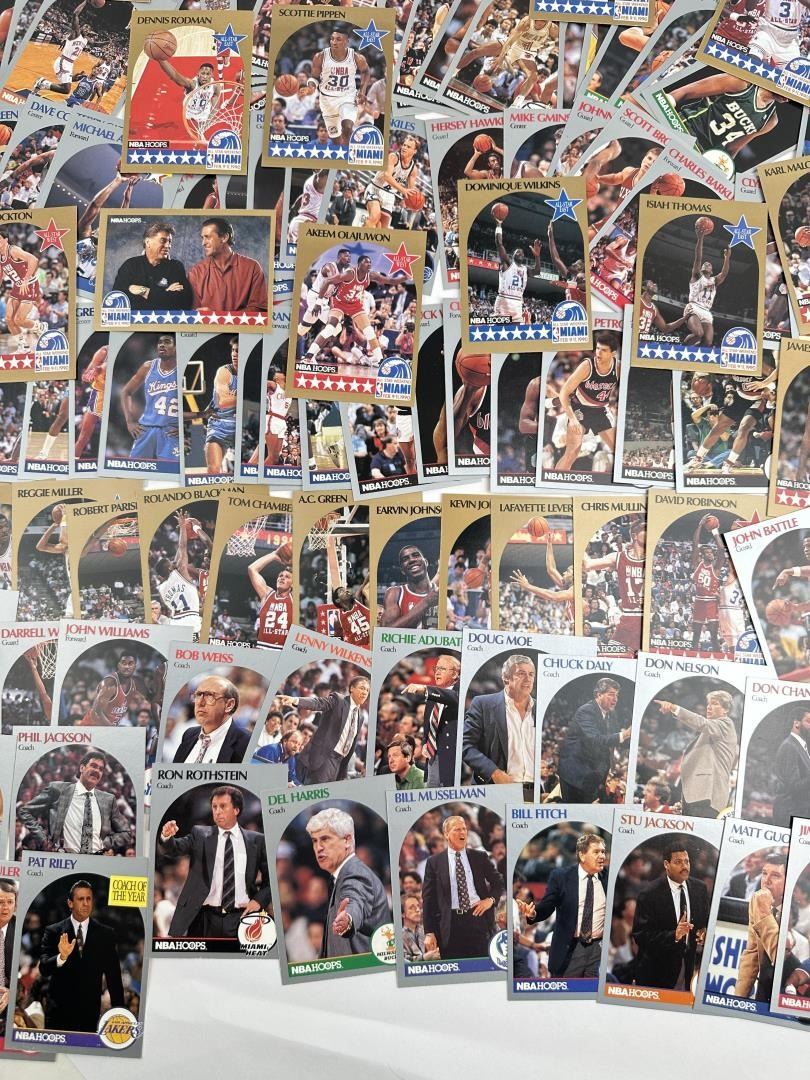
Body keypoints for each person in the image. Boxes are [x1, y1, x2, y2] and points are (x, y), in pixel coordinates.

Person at [158, 785, 272, 939]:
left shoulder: (257, 841)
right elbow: (174, 849)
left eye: (223, 806)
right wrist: (166, 837)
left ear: (236, 810)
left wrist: (258, 901)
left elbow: (270, 879)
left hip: (242, 917)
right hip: (204, 918)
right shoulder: (200, 835)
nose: (217, 811)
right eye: (214, 807)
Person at [517, 833, 609, 977]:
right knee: (570, 990)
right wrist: (534, 913)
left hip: (598, 949)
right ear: (582, 855)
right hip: (571, 949)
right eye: (596, 852)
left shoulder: (608, 878)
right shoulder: (561, 877)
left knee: (593, 990)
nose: (602, 856)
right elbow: (547, 906)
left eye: (603, 852)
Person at [38, 880, 124, 1033]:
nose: (86, 903)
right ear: (70, 903)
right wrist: (61, 957)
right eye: (81, 899)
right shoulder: (53, 931)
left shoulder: (106, 934)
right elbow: (44, 969)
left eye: (89, 899)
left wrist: (119, 1013)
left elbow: (114, 977)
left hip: (88, 1014)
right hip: (59, 1012)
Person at [305, 807, 391, 958]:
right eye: (314, 841)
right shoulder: (339, 876)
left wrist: (348, 920)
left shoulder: (355, 874)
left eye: (325, 839)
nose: (318, 848)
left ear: (347, 840)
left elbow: (354, 900)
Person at [17, 749, 134, 854]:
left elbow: (126, 833)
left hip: (94, 861)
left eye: (100, 769)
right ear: (82, 768)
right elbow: (25, 812)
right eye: (93, 766)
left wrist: (103, 843)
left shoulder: (108, 800)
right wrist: (43, 839)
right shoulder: (58, 790)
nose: (97, 771)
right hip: (63, 859)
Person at [421, 815, 505, 959]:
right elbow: (428, 899)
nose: (462, 833)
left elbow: (499, 882)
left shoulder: (479, 857)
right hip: (450, 924)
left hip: (478, 918)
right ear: (446, 834)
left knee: (481, 966)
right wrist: (429, 932)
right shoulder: (434, 862)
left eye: (464, 829)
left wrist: (490, 900)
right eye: (457, 829)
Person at [631, 842, 710, 991]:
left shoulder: (700, 889)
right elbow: (640, 936)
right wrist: (674, 935)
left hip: (687, 970)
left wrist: (703, 932)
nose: (684, 866)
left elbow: (704, 922)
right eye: (678, 862)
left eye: (686, 861)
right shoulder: (649, 894)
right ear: (666, 864)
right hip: (656, 972)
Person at [654, 689, 738, 816]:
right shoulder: (712, 731)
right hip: (699, 797)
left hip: (708, 798)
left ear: (725, 710)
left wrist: (673, 707)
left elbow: (701, 722)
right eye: (708, 704)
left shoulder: (726, 724)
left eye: (715, 704)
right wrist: (684, 804)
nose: (709, 707)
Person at [462, 653, 536, 788]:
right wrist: (494, 772)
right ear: (506, 678)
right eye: (521, 674)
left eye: (531, 674)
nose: (528, 679)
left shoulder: (540, 708)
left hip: (534, 791)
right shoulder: (483, 704)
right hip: (496, 788)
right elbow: (465, 745)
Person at [277, 676, 370, 782]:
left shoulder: (360, 717)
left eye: (367, 690)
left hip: (339, 763)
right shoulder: (338, 700)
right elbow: (318, 703)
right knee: (316, 790)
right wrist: (296, 700)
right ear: (352, 688)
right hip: (325, 757)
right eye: (362, 688)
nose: (365, 692)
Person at [554, 331, 620, 472]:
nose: (598, 353)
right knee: (572, 453)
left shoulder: (618, 367)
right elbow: (564, 393)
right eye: (597, 348)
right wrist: (572, 419)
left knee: (618, 450)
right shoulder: (587, 366)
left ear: (613, 353)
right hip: (580, 409)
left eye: (603, 350)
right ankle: (553, 479)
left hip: (600, 410)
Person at [557, 678, 631, 803]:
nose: (615, 699)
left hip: (593, 775)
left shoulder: (611, 714)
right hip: (575, 775)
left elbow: (611, 741)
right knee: (576, 811)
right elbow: (595, 739)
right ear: (598, 694)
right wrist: (624, 734)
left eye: (617, 695)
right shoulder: (586, 711)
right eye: (611, 694)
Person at [733, 852, 789, 1002]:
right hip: (766, 981)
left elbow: (781, 958)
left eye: (775, 876)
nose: (766, 881)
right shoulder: (758, 899)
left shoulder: (793, 910)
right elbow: (752, 952)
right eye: (764, 873)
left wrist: (764, 913)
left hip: (789, 984)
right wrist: (738, 998)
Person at [119, 333, 180, 466]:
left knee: (169, 472)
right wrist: (129, 421)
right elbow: (126, 392)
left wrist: (184, 427)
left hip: (171, 431)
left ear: (176, 348)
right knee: (135, 471)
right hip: (147, 428)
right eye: (160, 342)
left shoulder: (182, 369)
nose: (162, 345)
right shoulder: (148, 367)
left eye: (167, 342)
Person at [402, 654, 461, 787]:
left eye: (442, 669)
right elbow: (427, 726)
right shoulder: (432, 698)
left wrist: (424, 688)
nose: (437, 672)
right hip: (433, 754)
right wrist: (425, 743)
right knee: (431, 790)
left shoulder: (460, 692)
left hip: (452, 758)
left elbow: (451, 697)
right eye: (436, 668)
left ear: (454, 674)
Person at [187, 218, 268, 313]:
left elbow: (258, 310)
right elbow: (193, 314)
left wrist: (216, 316)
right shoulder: (196, 273)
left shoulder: (252, 268)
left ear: (224, 237)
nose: (203, 243)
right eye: (202, 238)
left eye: (208, 237)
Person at [309, 27, 372, 147]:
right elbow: (314, 77)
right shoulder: (320, 56)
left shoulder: (356, 57)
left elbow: (366, 71)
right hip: (327, 100)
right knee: (336, 140)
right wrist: (310, 87)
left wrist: (362, 91)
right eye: (332, 39)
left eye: (338, 39)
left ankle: (347, 155)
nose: (334, 42)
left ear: (346, 41)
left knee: (347, 127)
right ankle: (344, 151)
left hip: (347, 97)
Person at [111, 222, 193, 312]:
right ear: (148, 242)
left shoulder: (176, 267)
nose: (168, 246)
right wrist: (165, 293)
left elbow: (184, 302)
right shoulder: (130, 266)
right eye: (163, 241)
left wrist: (144, 291)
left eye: (170, 241)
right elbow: (117, 301)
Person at [154, 509, 210, 635]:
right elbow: (182, 547)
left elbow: (176, 558)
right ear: (170, 568)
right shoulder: (180, 573)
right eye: (171, 562)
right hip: (191, 623)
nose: (173, 562)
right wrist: (183, 526)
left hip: (175, 623)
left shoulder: (161, 589)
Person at [172, 675, 250, 764]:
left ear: (229, 705)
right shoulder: (189, 734)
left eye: (210, 696)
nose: (200, 703)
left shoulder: (246, 742)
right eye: (198, 695)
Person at [33, 0, 91, 98]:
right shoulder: (75, 34)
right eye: (85, 27)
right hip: (63, 61)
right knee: (66, 89)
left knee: (68, 84)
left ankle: (41, 84)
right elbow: (75, 14)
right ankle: (42, 82)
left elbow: (96, 43)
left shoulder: (85, 41)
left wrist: (72, 78)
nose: (86, 29)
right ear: (80, 28)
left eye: (88, 29)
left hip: (70, 64)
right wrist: (86, 2)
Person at [156, 58, 221, 142]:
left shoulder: (215, 86)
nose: (205, 76)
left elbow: (215, 105)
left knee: (199, 132)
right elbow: (175, 76)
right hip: (189, 110)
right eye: (203, 73)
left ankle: (199, 136)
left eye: (208, 74)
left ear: (212, 75)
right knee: (188, 129)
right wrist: (161, 60)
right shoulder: (191, 84)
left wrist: (209, 120)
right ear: (198, 74)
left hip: (203, 111)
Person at [79, 651, 148, 726]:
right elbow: (97, 711)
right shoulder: (110, 683)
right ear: (119, 665)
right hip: (90, 726)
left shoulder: (133, 685)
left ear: (135, 666)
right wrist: (112, 728)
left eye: (130, 663)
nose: (126, 666)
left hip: (107, 728)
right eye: (124, 663)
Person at [380, 545, 439, 629]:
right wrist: (426, 602)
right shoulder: (395, 593)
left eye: (416, 555)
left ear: (426, 562)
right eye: (405, 559)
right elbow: (385, 630)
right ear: (402, 570)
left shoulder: (441, 591)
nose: (411, 560)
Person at [203, 336, 238, 475]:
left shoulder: (253, 373)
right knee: (213, 469)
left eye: (238, 351)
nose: (234, 354)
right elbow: (223, 401)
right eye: (233, 350)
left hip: (240, 425)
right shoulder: (224, 372)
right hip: (220, 424)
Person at [772, 709, 810, 826]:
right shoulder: (789, 746)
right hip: (790, 813)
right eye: (809, 721)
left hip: (797, 812)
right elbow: (793, 786)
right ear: (796, 723)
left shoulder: (799, 746)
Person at [249, 560, 294, 650]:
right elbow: (252, 569)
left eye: (287, 577)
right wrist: (274, 555)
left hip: (281, 650)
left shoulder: (293, 599)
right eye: (280, 576)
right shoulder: (267, 594)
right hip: (262, 648)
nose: (282, 578)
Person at [0, 880, 16, 1016]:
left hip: (9, 1003)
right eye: (0, 902)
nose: (5, 907)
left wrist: (12, 992)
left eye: (10, 902)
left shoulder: (19, 929)